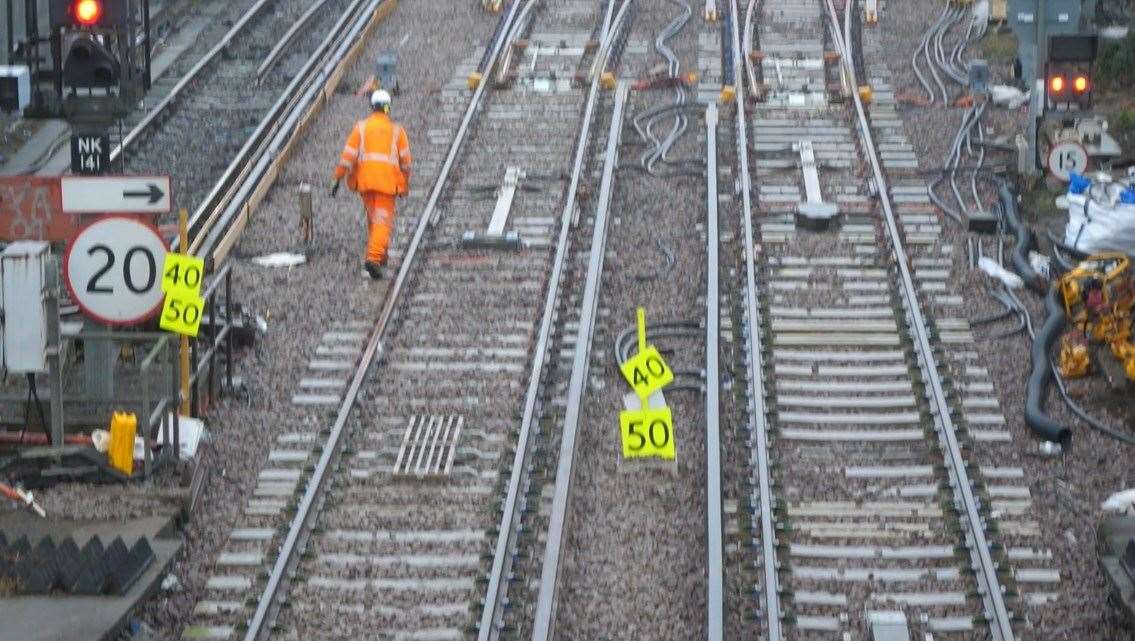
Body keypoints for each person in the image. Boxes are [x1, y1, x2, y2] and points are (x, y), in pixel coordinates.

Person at [330, 89, 411, 279]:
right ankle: (373, 258)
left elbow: (348, 156)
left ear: (372, 107)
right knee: (382, 221)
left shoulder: (361, 127)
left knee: (374, 218)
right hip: (387, 183)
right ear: (388, 108)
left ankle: (381, 254)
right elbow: (406, 162)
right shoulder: (397, 131)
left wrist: (337, 178)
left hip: (365, 183)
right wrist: (405, 183)